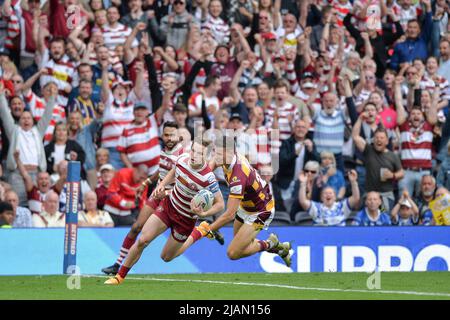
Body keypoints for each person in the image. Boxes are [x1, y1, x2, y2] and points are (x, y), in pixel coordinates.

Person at [104, 139, 225, 285]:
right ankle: (119, 277)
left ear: (206, 156)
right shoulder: (182, 159)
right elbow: (174, 172)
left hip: (186, 219)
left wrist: (203, 214)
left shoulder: (208, 178)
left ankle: (200, 231)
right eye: (193, 150)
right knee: (143, 240)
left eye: (199, 153)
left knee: (166, 257)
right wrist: (161, 185)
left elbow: (220, 204)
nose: (194, 155)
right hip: (168, 206)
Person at [170, 136, 292, 267]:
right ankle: (277, 247)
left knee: (233, 253)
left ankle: (270, 244)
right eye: (215, 152)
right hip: (246, 205)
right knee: (241, 243)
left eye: (218, 153)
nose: (214, 156)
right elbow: (211, 167)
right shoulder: (228, 158)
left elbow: (229, 215)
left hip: (261, 211)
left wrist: (207, 229)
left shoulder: (237, 176)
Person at [101, 122, 184, 275]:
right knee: (136, 227)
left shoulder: (183, 155)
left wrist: (165, 193)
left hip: (173, 198)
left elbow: (184, 183)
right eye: (166, 135)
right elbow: (162, 169)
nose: (169, 138)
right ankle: (117, 265)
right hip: (157, 194)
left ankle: (199, 231)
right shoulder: (165, 150)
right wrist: (146, 182)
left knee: (148, 238)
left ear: (178, 136)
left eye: (172, 135)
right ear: (162, 136)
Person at [352, 125, 404, 213]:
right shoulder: (369, 150)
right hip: (369, 195)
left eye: (382, 138)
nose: (379, 140)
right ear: (373, 140)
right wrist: (360, 118)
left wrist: (393, 175)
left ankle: (382, 215)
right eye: (376, 137)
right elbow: (355, 137)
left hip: (385, 195)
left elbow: (402, 173)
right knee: (365, 214)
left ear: (387, 141)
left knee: (383, 213)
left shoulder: (393, 156)